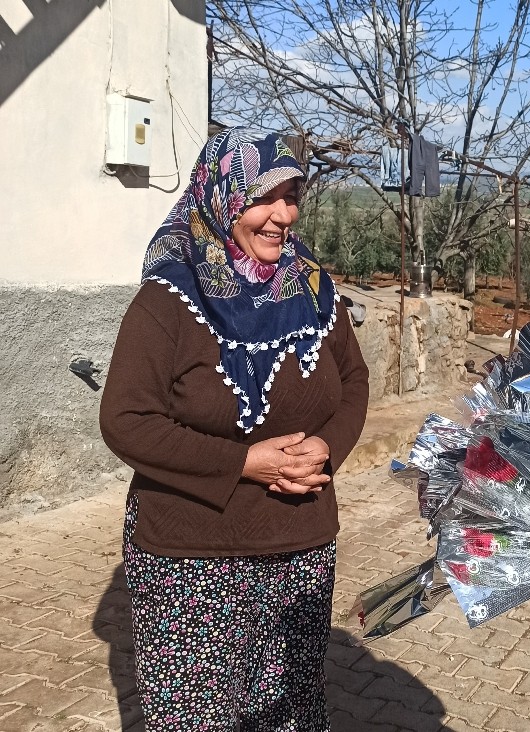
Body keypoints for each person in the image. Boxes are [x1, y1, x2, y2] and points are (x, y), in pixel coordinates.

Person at [100, 128, 369, 730]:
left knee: (291, 716)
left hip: (301, 550)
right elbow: (125, 419)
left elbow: (353, 382)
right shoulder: (169, 301)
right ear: (223, 196)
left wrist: (326, 447)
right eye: (264, 196)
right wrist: (246, 463)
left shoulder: (314, 290)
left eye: (292, 195)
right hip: (192, 559)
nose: (282, 215)